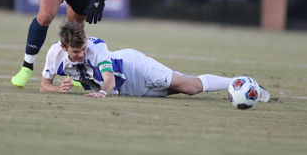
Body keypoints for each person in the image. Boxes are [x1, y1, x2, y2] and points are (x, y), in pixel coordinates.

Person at [40, 20, 271, 102]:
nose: (81, 54)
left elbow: (108, 79)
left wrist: (103, 92)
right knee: (176, 89)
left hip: (134, 68)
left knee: (190, 88)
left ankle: (242, 82)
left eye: (83, 50)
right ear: (63, 47)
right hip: (127, 90)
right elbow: (44, 84)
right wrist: (58, 89)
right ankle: (175, 76)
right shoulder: (54, 54)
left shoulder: (97, 46)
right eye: (76, 52)